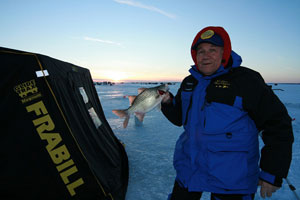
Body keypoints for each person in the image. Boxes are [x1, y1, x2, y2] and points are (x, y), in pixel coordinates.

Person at [161, 26, 294, 200]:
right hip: (190, 169)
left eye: (212, 50)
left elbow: (278, 124)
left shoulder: (246, 80)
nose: (205, 56)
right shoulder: (190, 82)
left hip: (233, 178)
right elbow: (180, 119)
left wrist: (272, 171)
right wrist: (169, 104)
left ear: (224, 52)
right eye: (200, 51)